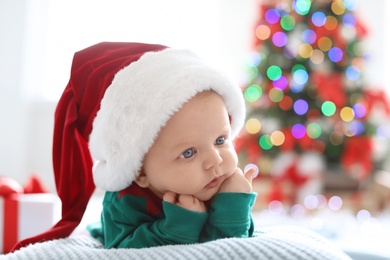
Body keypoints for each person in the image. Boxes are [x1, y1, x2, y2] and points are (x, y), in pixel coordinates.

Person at [11, 42, 257, 251]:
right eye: (188, 152)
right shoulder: (125, 201)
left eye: (221, 140)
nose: (215, 160)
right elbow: (123, 247)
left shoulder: (218, 182)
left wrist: (233, 205)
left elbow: (231, 245)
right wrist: (180, 225)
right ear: (139, 171)